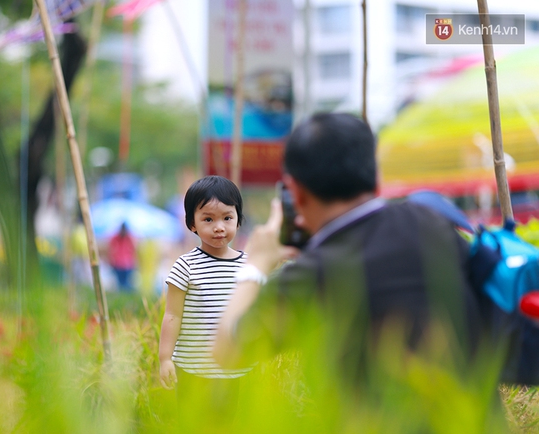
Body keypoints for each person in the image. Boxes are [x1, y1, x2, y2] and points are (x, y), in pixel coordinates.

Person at [213, 112, 495, 389]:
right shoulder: (430, 222)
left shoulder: (315, 271)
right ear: (376, 177)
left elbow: (227, 354)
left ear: (295, 192)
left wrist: (256, 263)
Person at [158, 175, 252, 430]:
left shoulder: (248, 267)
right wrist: (165, 358)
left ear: (238, 219)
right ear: (192, 224)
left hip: (234, 369)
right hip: (192, 368)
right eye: (208, 219)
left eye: (227, 218)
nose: (219, 226)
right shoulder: (185, 265)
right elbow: (172, 315)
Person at [107, 223, 137, 292]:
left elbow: (134, 249)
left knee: (126, 283)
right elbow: (110, 248)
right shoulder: (116, 237)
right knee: (120, 283)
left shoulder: (129, 237)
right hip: (118, 264)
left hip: (127, 264)